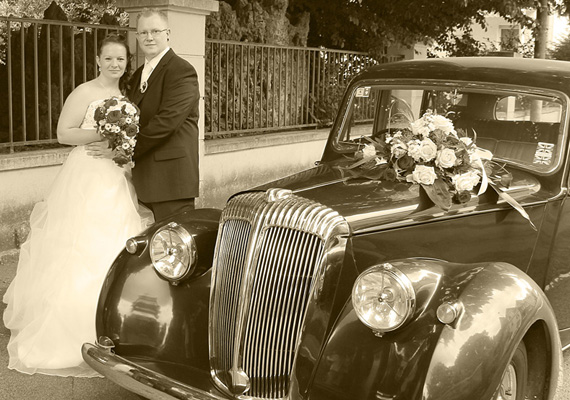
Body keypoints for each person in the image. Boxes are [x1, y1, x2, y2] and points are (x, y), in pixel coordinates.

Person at [2, 34, 146, 377]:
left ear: (127, 63)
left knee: (114, 244)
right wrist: (101, 133)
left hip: (112, 176)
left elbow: (127, 141)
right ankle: (64, 333)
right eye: (109, 58)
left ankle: (110, 327)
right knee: (78, 245)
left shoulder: (125, 98)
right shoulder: (85, 92)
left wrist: (118, 148)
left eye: (121, 60)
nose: (115, 64)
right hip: (84, 176)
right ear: (98, 60)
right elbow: (63, 133)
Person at [128, 7, 200, 221]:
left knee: (172, 250)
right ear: (137, 36)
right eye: (143, 33)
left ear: (168, 33)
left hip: (171, 182)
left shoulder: (181, 70)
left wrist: (125, 150)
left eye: (155, 31)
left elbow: (166, 122)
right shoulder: (138, 74)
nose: (149, 37)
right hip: (143, 180)